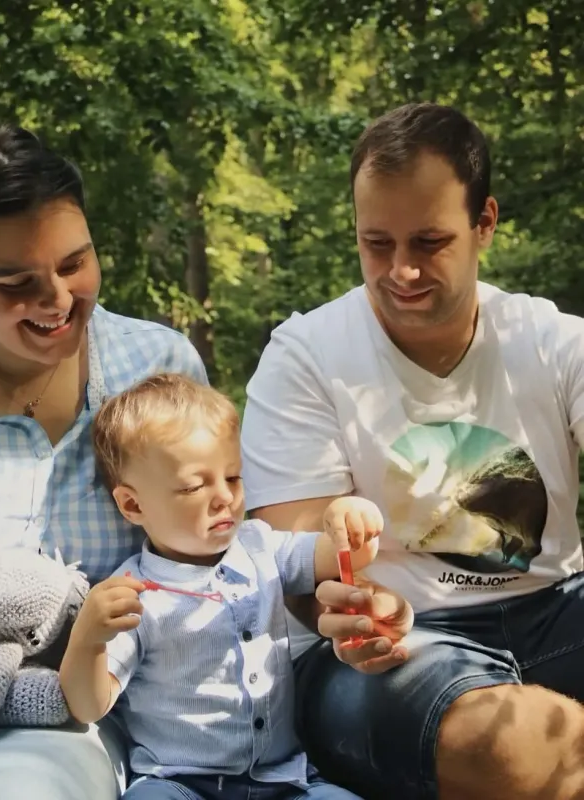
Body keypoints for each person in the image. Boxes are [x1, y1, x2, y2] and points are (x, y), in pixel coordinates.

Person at [240, 102, 584, 800]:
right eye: (376, 243)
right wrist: (355, 605)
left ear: (484, 223)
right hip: (393, 652)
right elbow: (297, 569)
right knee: (505, 746)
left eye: (429, 242)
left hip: (559, 614)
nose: (401, 270)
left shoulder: (551, 342)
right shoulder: (306, 357)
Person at [0, 126, 208, 800]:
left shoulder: (159, 369)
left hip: (67, 695)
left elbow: (208, 556)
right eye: (16, 283)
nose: (56, 300)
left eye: (74, 263)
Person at [59, 373, 383, 800]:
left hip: (284, 780)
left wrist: (353, 519)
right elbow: (88, 707)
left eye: (233, 477)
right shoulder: (131, 595)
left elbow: (343, 555)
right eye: (194, 485)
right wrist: (89, 639)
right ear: (133, 504)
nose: (224, 498)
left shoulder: (261, 547)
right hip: (178, 782)